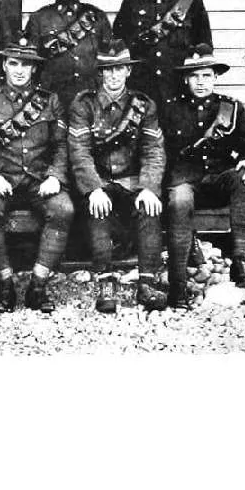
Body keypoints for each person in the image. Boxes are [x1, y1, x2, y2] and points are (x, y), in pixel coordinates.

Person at [0, 38, 73, 314]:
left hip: (39, 179)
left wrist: (55, 176)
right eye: (13, 63)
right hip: (2, 178)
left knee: (63, 209)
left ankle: (37, 287)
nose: (19, 70)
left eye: (26, 65)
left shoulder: (50, 101)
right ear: (4, 66)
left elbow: (61, 145)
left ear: (34, 70)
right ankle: (4, 284)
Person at [68, 41, 168, 313]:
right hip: (99, 180)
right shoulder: (84, 105)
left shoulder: (144, 106)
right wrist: (93, 189)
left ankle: (147, 283)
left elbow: (153, 151)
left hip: (132, 181)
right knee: (97, 207)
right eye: (107, 70)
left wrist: (149, 187)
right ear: (100, 73)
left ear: (128, 72)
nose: (113, 76)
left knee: (150, 207)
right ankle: (105, 284)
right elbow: (80, 152)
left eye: (119, 69)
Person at [162, 44, 245, 309]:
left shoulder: (231, 108)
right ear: (186, 79)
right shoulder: (171, 110)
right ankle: (179, 283)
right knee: (180, 200)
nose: (200, 82)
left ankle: (240, 261)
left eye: (206, 75)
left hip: (218, 179)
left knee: (242, 180)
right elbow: (158, 153)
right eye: (194, 76)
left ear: (215, 77)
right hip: (184, 182)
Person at [113, 0, 212, 118]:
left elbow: (204, 54)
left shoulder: (192, 3)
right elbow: (118, 53)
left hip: (181, 100)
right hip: (141, 99)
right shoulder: (131, 4)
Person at [23, 0, 112, 110]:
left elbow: (109, 62)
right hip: (52, 101)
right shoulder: (39, 18)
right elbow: (30, 64)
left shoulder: (97, 17)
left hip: (91, 100)